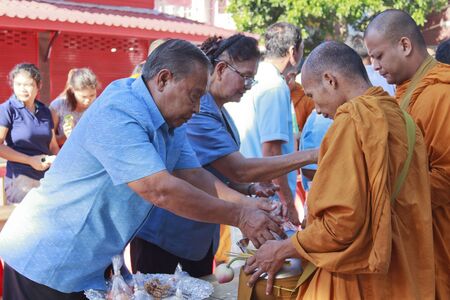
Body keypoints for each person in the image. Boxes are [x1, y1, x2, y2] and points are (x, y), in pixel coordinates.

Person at [0, 39, 284, 299]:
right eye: (194, 95)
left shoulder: (171, 122)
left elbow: (195, 175)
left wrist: (250, 205)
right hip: (45, 259)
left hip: (86, 263)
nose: (197, 108)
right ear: (163, 80)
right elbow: (159, 189)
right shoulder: (120, 110)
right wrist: (241, 215)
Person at [243, 41, 435, 299]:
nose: (318, 110)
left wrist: (285, 248)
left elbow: (341, 224)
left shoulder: (351, 121)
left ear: (330, 80)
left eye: (312, 96)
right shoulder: (403, 119)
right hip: (403, 270)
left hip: (358, 278)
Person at [130, 34, 318, 277]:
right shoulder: (193, 111)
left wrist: (249, 193)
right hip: (165, 233)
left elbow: (200, 173)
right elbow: (235, 169)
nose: (196, 107)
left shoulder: (215, 112)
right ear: (220, 69)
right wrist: (311, 155)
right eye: (246, 78)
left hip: (197, 234)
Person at [364, 10, 450, 298]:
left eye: (378, 56)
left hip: (438, 234)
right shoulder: (404, 93)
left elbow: (446, 177)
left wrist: (380, 194)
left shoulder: (442, 94)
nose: (374, 67)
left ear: (405, 45)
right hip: (412, 233)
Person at [227, 22, 304, 225]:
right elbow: (271, 150)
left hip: (245, 190)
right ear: (292, 51)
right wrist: (288, 203)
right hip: (265, 197)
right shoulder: (274, 85)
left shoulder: (252, 77)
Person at [0, 63, 59, 204]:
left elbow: (53, 146)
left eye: (28, 84)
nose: (22, 89)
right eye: (18, 84)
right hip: (21, 179)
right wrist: (30, 160)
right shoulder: (7, 109)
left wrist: (57, 161)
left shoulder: (45, 111)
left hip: (47, 178)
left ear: (38, 86)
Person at [50, 68, 98, 146]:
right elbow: (50, 142)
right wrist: (67, 136)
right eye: (83, 96)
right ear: (73, 90)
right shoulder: (59, 106)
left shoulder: (98, 106)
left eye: (92, 95)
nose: (88, 100)